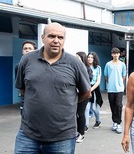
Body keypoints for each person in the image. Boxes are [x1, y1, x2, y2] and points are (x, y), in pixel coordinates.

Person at [14, 22, 91, 154]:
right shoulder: (27, 60)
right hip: (28, 135)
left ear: (64, 40)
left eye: (60, 37)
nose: (56, 41)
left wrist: (67, 101)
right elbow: (23, 89)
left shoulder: (75, 64)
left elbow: (86, 92)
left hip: (62, 138)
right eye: (51, 36)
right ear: (43, 38)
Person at [104, 47, 127, 134]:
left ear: (119, 54)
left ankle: (118, 123)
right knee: (112, 105)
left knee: (119, 105)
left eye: (117, 53)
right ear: (112, 54)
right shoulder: (108, 64)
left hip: (119, 88)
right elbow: (106, 76)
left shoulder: (122, 64)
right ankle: (114, 122)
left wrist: (120, 83)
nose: (115, 55)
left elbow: (123, 76)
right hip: (111, 88)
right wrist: (109, 83)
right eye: (114, 53)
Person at [14, 40, 37, 114]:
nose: (27, 50)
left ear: (35, 51)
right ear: (22, 51)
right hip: (26, 100)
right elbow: (20, 86)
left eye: (30, 48)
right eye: (25, 48)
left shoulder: (40, 65)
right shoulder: (18, 66)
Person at [75, 51, 93, 143]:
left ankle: (81, 134)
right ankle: (76, 132)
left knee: (80, 113)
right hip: (75, 95)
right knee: (75, 114)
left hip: (84, 95)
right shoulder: (75, 67)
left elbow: (87, 83)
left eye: (78, 57)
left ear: (82, 58)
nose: (76, 58)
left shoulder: (87, 69)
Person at [85, 52, 103, 131]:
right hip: (86, 88)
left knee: (94, 108)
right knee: (86, 108)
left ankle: (98, 121)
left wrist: (91, 90)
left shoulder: (98, 68)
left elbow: (98, 81)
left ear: (94, 59)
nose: (90, 58)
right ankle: (86, 125)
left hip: (94, 89)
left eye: (92, 57)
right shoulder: (84, 67)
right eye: (89, 57)